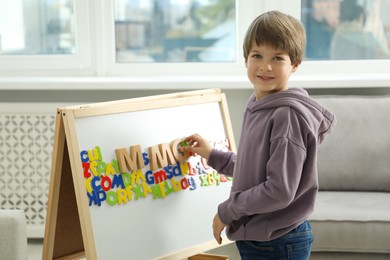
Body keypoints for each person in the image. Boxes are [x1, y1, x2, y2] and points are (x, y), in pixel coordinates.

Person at [181, 10, 337, 259]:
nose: (265, 66)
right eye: (257, 55)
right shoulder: (257, 104)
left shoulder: (286, 116)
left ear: (294, 64)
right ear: (245, 60)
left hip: (277, 240)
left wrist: (227, 211)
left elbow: (279, 190)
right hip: (262, 237)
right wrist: (213, 155)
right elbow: (254, 171)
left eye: (277, 57)